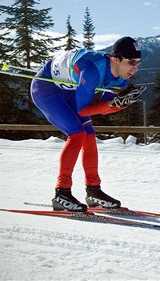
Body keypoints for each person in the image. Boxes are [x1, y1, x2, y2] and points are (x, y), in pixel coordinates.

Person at [30, 36, 143, 212]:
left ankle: (93, 190)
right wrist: (111, 104)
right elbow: (84, 110)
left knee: (89, 136)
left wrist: (118, 105)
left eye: (138, 63)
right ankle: (62, 193)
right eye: (131, 62)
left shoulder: (122, 77)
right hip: (47, 89)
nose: (135, 68)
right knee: (77, 134)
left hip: (69, 90)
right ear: (116, 59)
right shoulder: (91, 70)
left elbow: (103, 108)